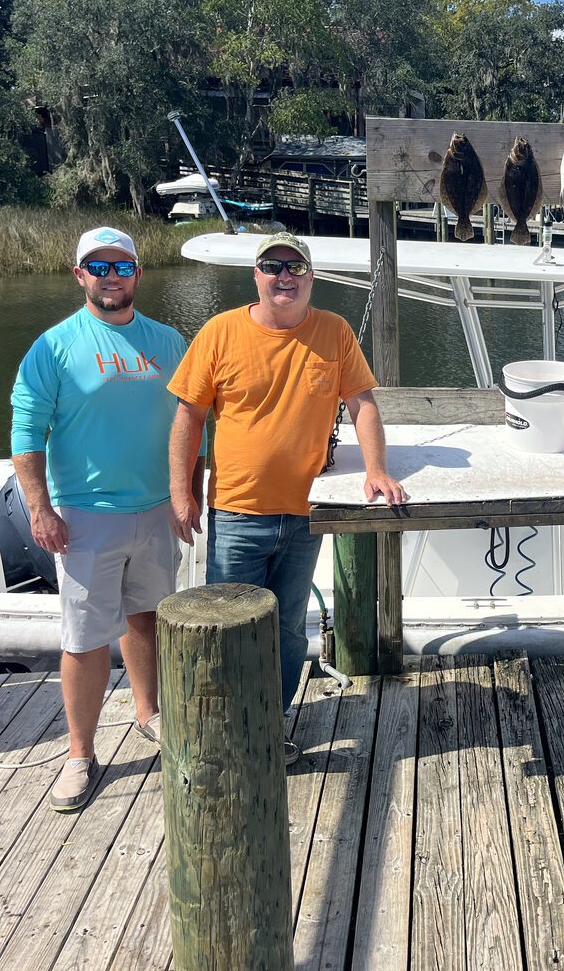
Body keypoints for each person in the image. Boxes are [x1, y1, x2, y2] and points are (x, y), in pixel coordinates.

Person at [167, 233, 406, 765]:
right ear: (255, 275)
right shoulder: (220, 332)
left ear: (311, 277)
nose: (285, 276)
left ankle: (269, 726)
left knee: (288, 631)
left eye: (296, 267)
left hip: (304, 516)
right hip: (236, 512)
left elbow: (362, 403)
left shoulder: (334, 331)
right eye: (272, 265)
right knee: (227, 629)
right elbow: (188, 417)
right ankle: (228, 735)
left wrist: (376, 470)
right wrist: (181, 492)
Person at [11, 227, 202, 812]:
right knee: (85, 638)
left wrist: (189, 492)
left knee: (147, 617)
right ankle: (80, 754)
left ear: (138, 273)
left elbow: (194, 421)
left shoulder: (169, 341)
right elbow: (26, 432)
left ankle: (150, 713)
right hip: (85, 517)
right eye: (98, 266)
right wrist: (40, 508)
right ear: (80, 276)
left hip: (157, 510)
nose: (110, 276)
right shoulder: (53, 347)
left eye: (121, 266)